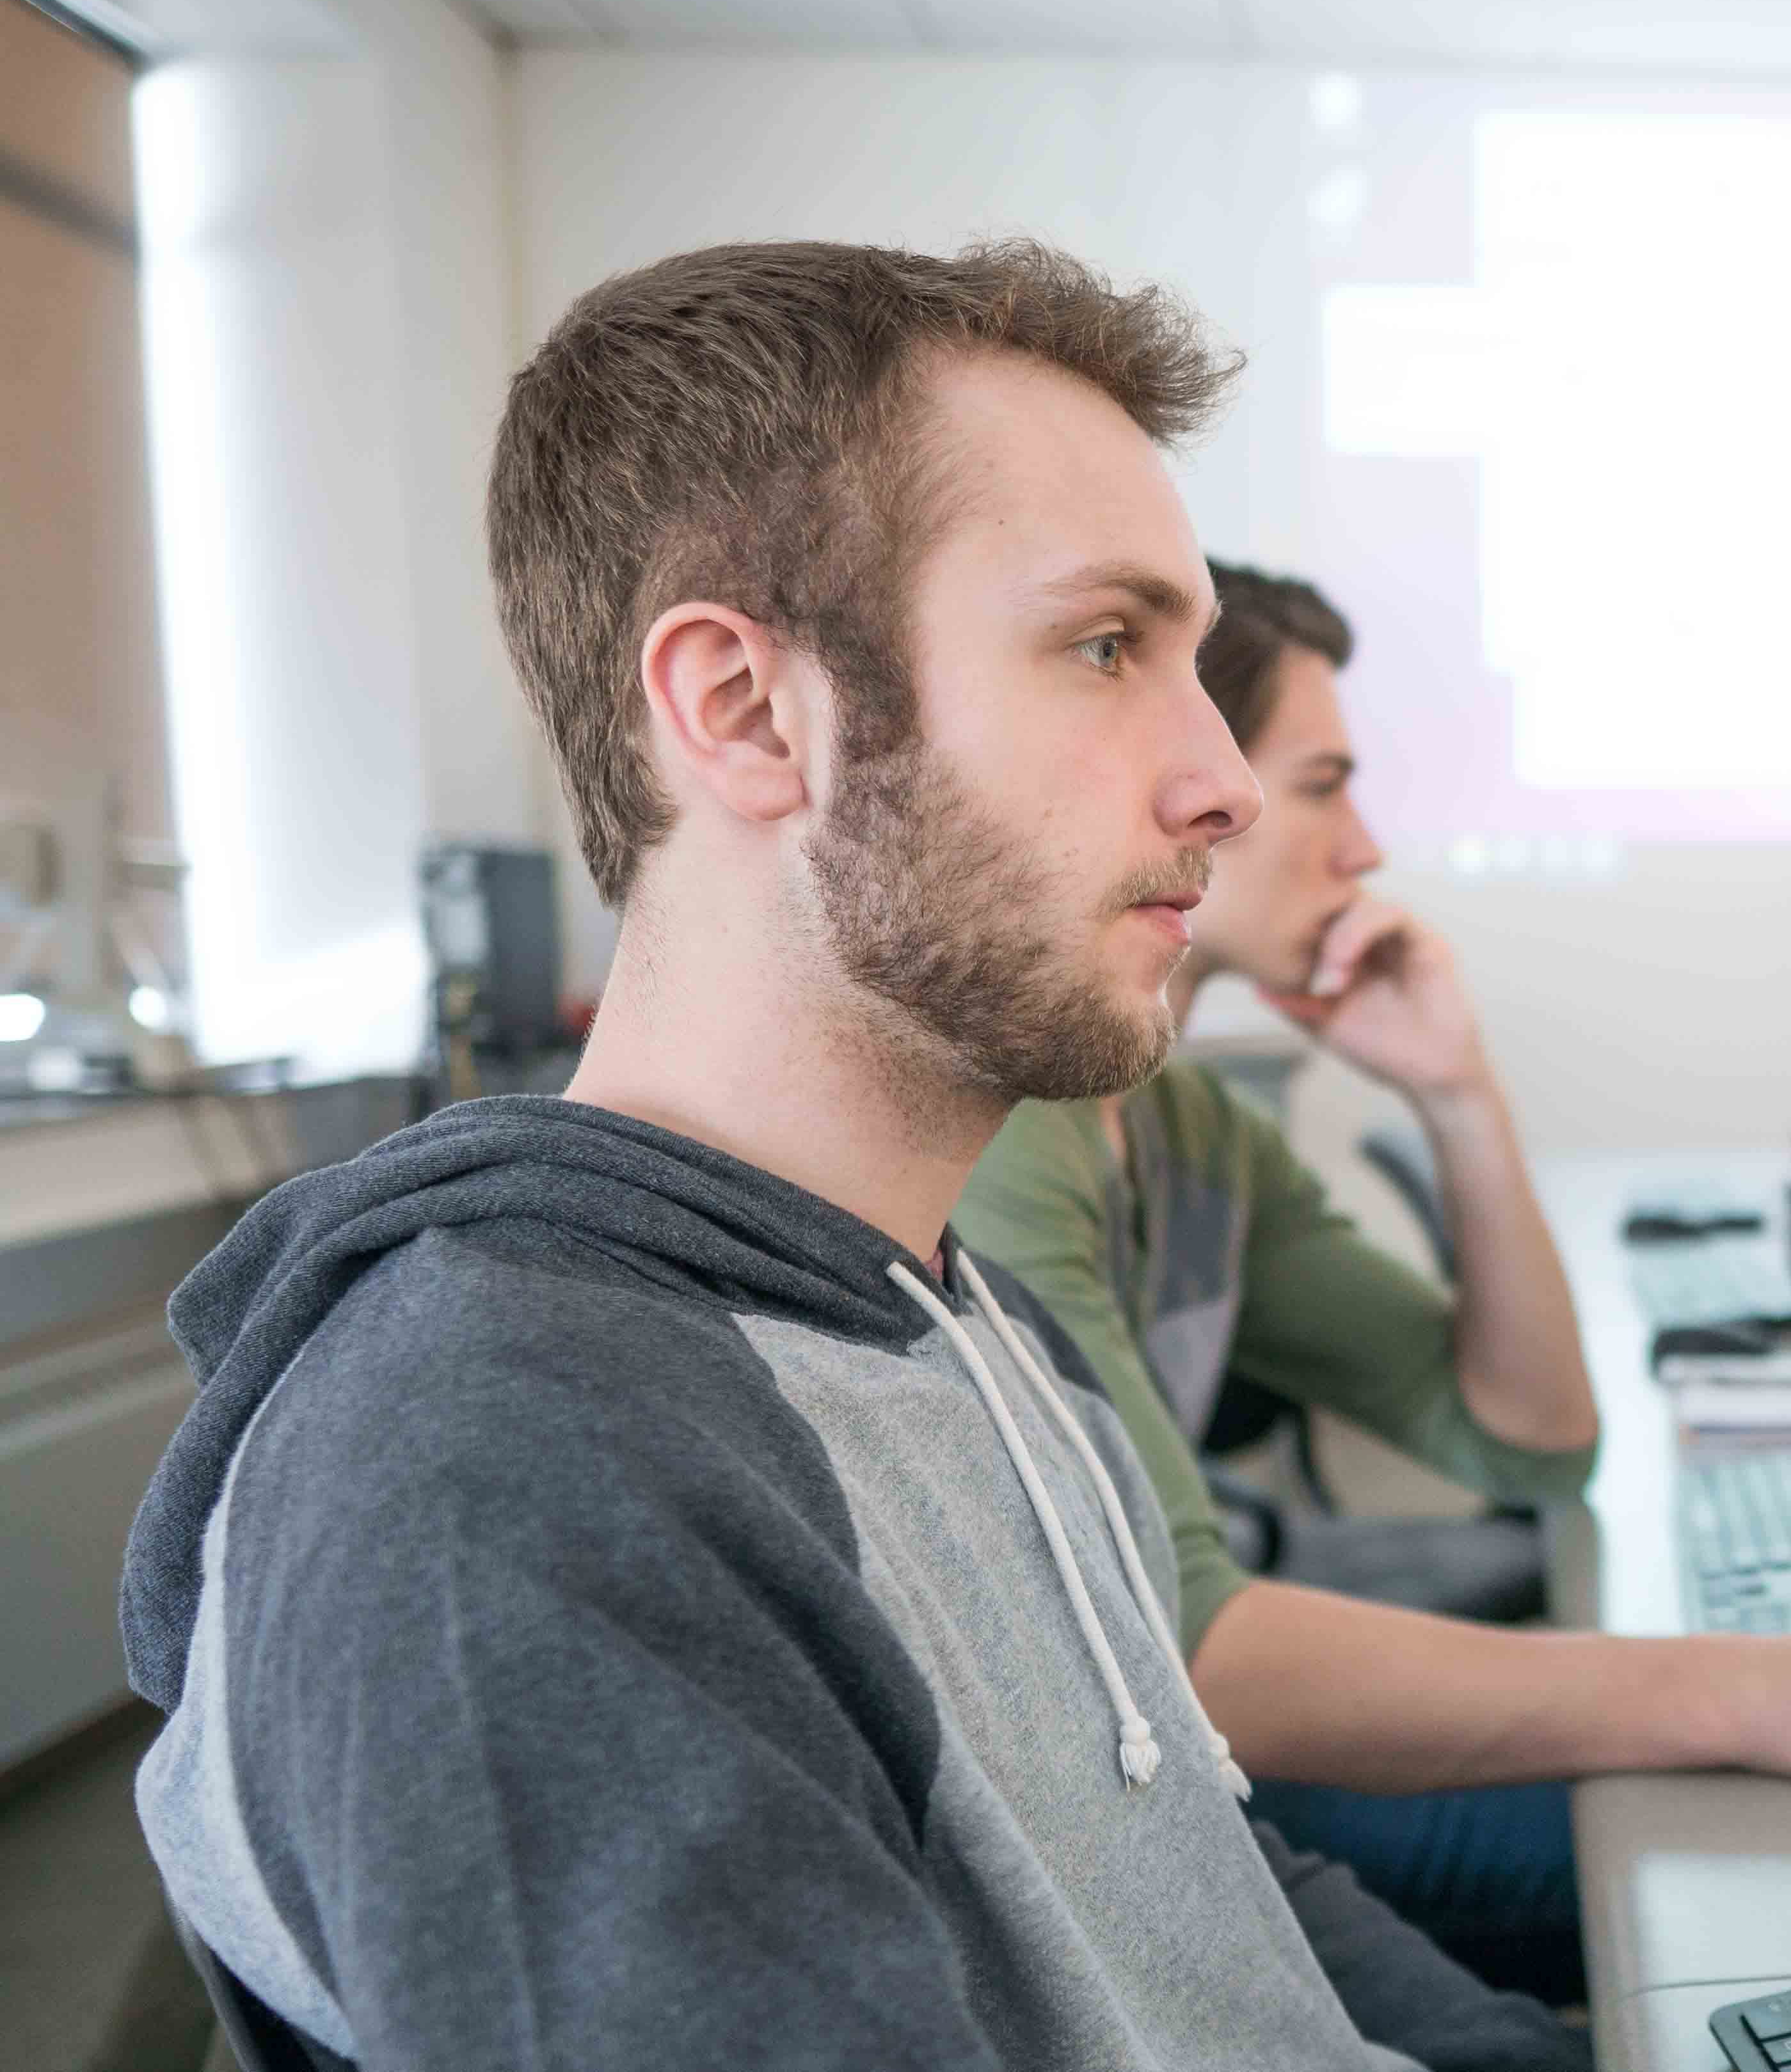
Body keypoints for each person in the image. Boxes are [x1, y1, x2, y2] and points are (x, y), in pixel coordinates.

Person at [123, 238, 1579, 2070]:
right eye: (1106, 646)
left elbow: (1202, 1890)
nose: (1217, 778)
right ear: (742, 710)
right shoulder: (503, 1473)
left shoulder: (964, 1326)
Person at [957, 567, 1791, 1992]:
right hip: (1140, 1825)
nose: (1362, 845)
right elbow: (1198, 1654)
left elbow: (1529, 1437)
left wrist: (1460, 1092)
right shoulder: (1013, 1145)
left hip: (1199, 1770)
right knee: (1783, 1838)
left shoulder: (1191, 1128)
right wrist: (1772, 1684)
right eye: (1325, 785)